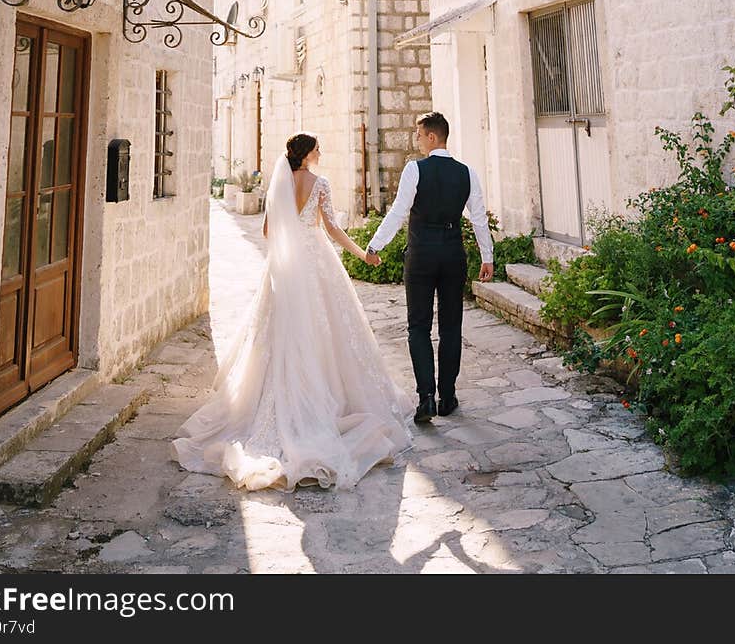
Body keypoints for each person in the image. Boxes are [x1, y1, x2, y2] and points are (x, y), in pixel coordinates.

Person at [173, 133, 412, 491]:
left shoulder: (280, 185)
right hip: (316, 262)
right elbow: (330, 228)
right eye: (317, 148)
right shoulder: (320, 184)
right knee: (328, 331)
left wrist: (288, 254)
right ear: (307, 154)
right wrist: (363, 254)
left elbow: (270, 230)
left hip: (286, 267)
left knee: (279, 332)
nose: (321, 152)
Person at [365, 111, 494, 424]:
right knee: (451, 326)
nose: (417, 139)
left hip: (422, 254)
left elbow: (398, 212)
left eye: (419, 134)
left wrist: (375, 245)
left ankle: (426, 398)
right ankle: (447, 396)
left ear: (433, 137)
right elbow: (478, 218)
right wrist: (487, 256)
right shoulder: (467, 173)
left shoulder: (415, 170)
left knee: (418, 326)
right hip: (453, 254)